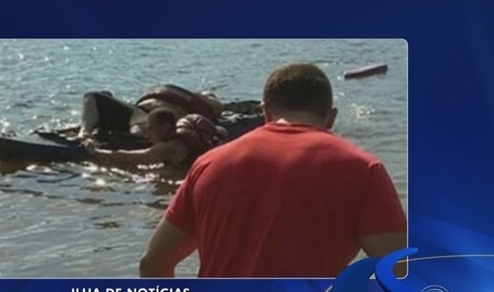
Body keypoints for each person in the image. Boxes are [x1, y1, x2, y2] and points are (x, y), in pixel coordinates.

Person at [139, 63, 408, 278]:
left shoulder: (209, 164)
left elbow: (153, 264)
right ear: (331, 118)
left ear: (266, 111)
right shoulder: (363, 170)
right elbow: (399, 271)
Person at [82, 108, 226, 168]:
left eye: (151, 129)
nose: (147, 135)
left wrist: (95, 151)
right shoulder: (207, 136)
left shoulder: (168, 148)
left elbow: (129, 158)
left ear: (166, 128)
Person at [77, 84, 224, 140]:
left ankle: (87, 131)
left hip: (148, 119)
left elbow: (217, 108)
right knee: (94, 95)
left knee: (139, 129)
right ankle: (85, 130)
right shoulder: (183, 95)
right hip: (135, 112)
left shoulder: (198, 105)